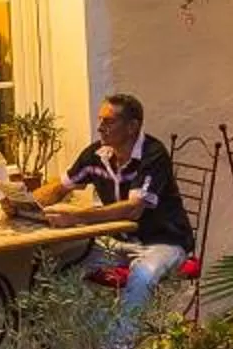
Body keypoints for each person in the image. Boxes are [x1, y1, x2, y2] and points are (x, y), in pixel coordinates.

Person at [36, 92, 192, 323]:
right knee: (56, 266)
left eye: (108, 121)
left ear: (132, 126)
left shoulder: (153, 154)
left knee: (142, 276)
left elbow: (133, 209)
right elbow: (60, 187)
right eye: (100, 120)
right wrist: (26, 202)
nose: (100, 127)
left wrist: (77, 217)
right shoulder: (97, 155)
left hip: (163, 242)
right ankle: (87, 336)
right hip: (119, 243)